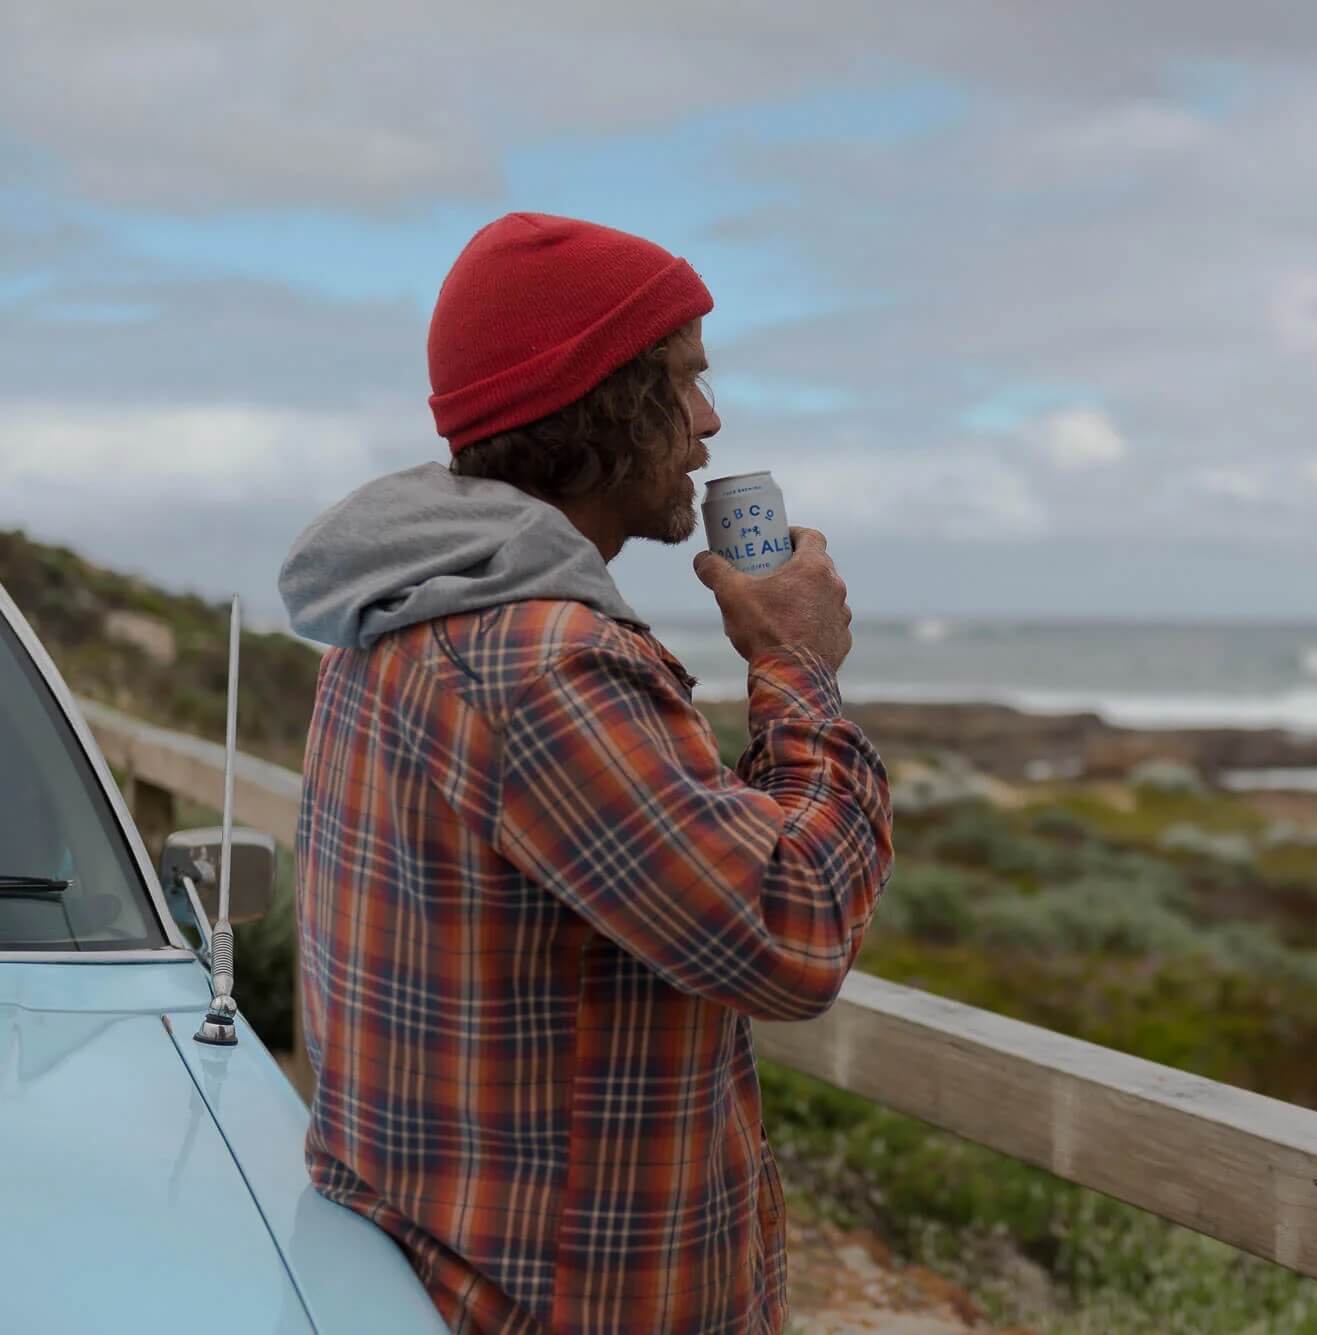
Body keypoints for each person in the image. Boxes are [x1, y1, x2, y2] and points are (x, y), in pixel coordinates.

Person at [277, 212, 893, 1334]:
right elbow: (794, 934)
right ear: (603, 399)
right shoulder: (547, 665)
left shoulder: (389, 623)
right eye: (685, 382)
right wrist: (795, 668)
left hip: (431, 1275)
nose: (710, 424)